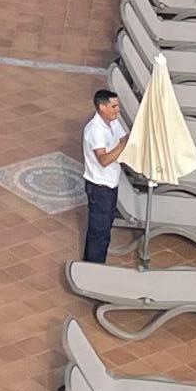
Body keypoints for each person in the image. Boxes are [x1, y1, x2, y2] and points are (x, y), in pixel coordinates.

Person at [79, 84, 133, 266]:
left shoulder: (113, 122)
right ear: (102, 107)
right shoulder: (95, 130)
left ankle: (94, 264)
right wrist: (121, 147)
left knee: (104, 229)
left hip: (110, 185)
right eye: (114, 107)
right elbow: (103, 159)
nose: (118, 110)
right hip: (99, 187)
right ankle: (93, 268)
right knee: (98, 232)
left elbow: (124, 138)